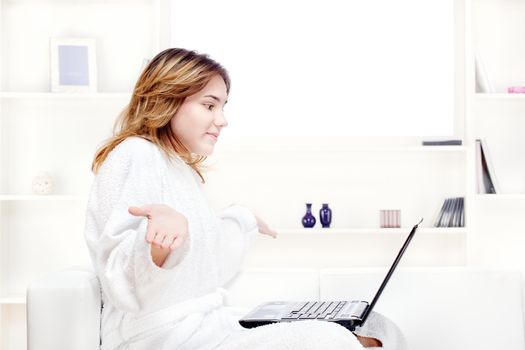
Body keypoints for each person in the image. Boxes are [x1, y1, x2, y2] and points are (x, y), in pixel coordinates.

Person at [84, 48, 407, 350]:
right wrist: (156, 242)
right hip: (162, 337)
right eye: (209, 105)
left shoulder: (178, 169)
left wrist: (241, 220)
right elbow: (122, 283)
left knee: (375, 328)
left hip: (204, 324)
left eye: (223, 107)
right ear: (167, 99)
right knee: (331, 340)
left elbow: (206, 264)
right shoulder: (135, 154)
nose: (222, 120)